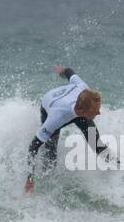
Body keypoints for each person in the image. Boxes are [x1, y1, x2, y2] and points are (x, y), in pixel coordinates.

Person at [24, 65, 109, 193]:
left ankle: (117, 165)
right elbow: (33, 146)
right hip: (50, 106)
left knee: (96, 144)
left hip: (72, 107)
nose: (99, 113)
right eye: (95, 111)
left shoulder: (84, 88)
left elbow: (70, 72)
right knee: (51, 151)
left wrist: (61, 71)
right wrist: (29, 178)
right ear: (83, 111)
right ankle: (49, 184)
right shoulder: (56, 118)